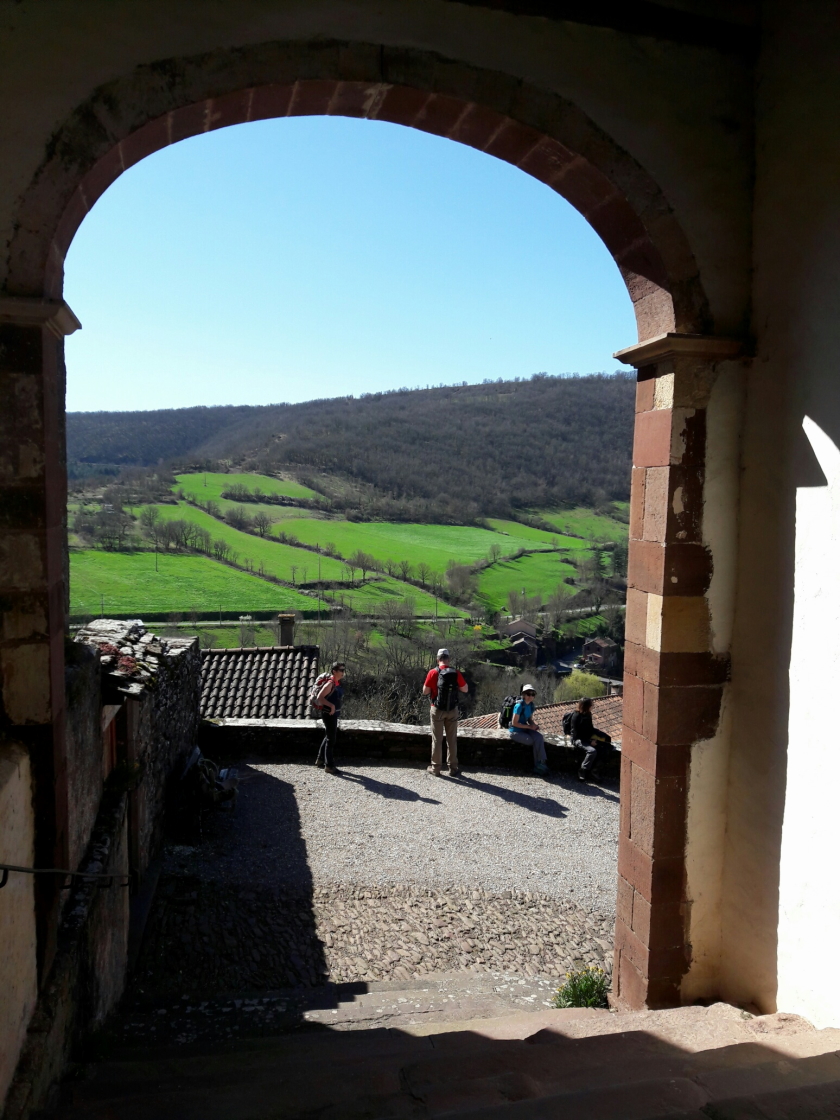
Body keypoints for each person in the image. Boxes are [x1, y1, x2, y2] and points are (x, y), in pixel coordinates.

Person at [423, 648, 468, 777]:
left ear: (437, 659)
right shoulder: (455, 673)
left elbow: (425, 692)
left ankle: (436, 768)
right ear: (448, 659)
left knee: (437, 740)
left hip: (437, 710)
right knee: (451, 740)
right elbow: (465, 689)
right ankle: (453, 768)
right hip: (452, 710)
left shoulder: (433, 672)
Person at [508, 685, 550, 777]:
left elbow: (529, 719)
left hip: (525, 728)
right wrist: (529, 727)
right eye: (528, 694)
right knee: (533, 741)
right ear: (523, 694)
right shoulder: (519, 706)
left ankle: (541, 762)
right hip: (515, 731)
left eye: (533, 694)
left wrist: (533, 725)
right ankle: (538, 764)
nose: (530, 696)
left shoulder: (531, 706)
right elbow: (514, 723)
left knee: (539, 737)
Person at [314, 662, 346, 776]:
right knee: (331, 739)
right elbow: (320, 697)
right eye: (341, 670)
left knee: (328, 736)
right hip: (329, 714)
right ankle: (329, 766)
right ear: (334, 671)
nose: (343, 672)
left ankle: (320, 759)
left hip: (333, 714)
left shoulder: (336, 683)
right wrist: (331, 706)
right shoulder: (330, 683)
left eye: (343, 670)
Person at [570, 697, 612, 781]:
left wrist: (603, 735)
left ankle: (594, 771)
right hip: (578, 739)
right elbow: (577, 734)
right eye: (591, 705)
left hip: (587, 738)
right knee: (592, 751)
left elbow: (590, 729)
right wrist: (590, 742)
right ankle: (582, 770)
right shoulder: (576, 716)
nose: (592, 706)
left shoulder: (588, 715)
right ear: (586, 706)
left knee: (606, 747)